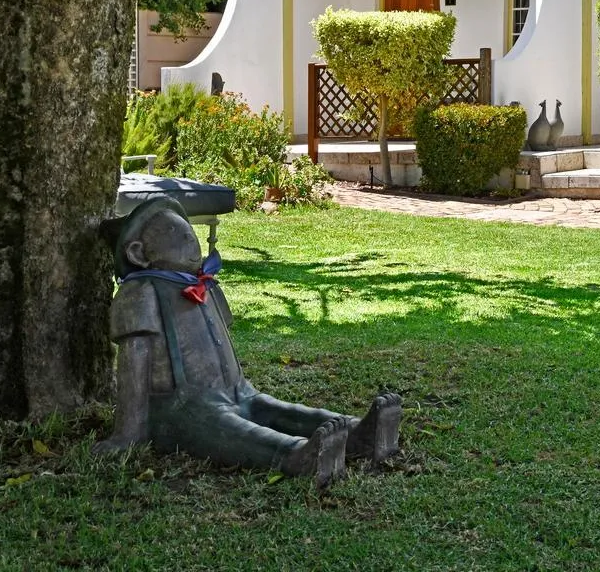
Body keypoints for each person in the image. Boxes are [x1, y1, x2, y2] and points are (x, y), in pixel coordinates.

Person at [95, 199, 400, 487]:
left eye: (189, 233)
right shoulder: (139, 294)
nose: (191, 241)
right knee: (231, 428)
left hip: (236, 390)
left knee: (272, 408)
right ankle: (295, 454)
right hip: (183, 406)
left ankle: (356, 432)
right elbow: (134, 364)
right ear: (138, 253)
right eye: (176, 234)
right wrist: (128, 433)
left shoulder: (204, 285)